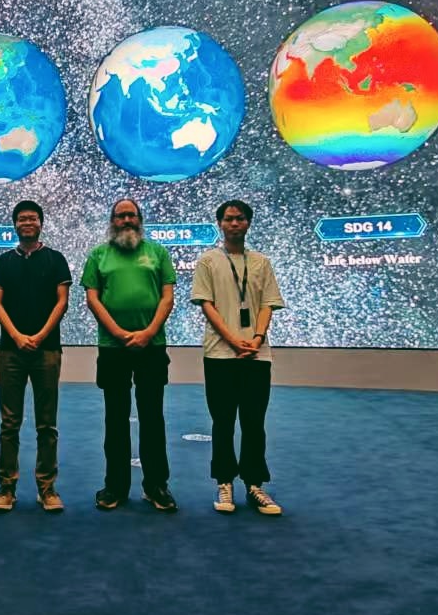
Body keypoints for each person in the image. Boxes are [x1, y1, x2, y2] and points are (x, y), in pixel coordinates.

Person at [81, 198, 177, 512]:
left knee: (152, 418)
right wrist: (120, 334)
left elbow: (167, 297)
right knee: (116, 419)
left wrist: (148, 333)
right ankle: (116, 487)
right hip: (113, 349)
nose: (126, 220)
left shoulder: (158, 252)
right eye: (120, 216)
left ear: (140, 219)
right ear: (112, 221)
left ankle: (156, 485)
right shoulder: (98, 255)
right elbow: (93, 299)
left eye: (131, 215)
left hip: (152, 347)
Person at [191, 199, 286, 515]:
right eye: (229, 219)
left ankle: (255, 484)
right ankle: (224, 482)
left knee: (254, 423)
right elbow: (206, 305)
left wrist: (256, 339)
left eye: (240, 218)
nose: (234, 223)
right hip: (220, 354)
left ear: (248, 223)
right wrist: (233, 341)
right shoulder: (208, 261)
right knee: (223, 422)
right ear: (220, 223)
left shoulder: (261, 262)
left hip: (256, 355)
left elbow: (268, 304)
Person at [0, 199, 72, 513]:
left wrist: (39, 336)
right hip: (11, 351)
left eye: (33, 218)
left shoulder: (55, 259)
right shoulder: (4, 261)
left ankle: (47, 489)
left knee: (46, 424)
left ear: (40, 223)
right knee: (9, 424)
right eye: (22, 218)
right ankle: (6, 489)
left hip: (46, 350)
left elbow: (62, 302)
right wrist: (17, 336)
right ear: (15, 224)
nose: (27, 222)